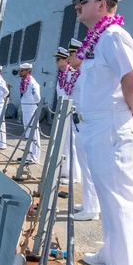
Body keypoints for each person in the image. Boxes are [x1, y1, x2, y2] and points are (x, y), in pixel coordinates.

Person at [71, 0, 133, 265]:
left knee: (119, 205)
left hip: (110, 127)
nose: (78, 6)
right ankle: (109, 254)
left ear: (101, 5)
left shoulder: (115, 36)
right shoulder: (98, 38)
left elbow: (131, 77)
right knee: (106, 197)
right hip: (95, 126)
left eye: (83, 1)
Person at [65, 38, 102, 222]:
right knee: (85, 166)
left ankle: (92, 209)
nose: (69, 57)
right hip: (79, 123)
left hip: (85, 123)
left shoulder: (85, 73)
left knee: (89, 168)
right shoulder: (78, 73)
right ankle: (88, 203)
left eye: (72, 54)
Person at [54, 47, 80, 183]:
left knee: (72, 142)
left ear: (66, 60)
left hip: (72, 111)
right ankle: (65, 170)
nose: (56, 62)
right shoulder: (61, 76)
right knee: (64, 142)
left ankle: (74, 174)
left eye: (58, 59)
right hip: (63, 111)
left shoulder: (72, 74)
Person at [17, 63, 41, 163]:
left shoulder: (32, 82)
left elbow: (37, 98)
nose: (20, 72)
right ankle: (28, 155)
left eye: (22, 70)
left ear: (28, 71)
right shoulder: (23, 81)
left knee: (33, 134)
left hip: (31, 111)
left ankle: (35, 157)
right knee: (28, 134)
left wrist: (31, 105)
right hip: (26, 110)